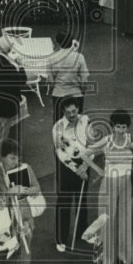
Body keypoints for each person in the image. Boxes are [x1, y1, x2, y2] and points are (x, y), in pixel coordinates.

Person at [85, 110, 133, 264]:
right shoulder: (106, 141)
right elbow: (85, 154)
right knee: (107, 220)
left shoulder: (131, 138)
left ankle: (126, 257)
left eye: (124, 127)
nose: (121, 130)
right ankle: (106, 259)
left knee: (125, 219)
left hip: (126, 182)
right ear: (113, 126)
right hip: (109, 183)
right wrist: (99, 170)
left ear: (127, 127)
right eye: (118, 127)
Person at [52, 99, 91, 253]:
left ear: (78, 109)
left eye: (74, 111)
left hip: (85, 161)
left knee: (82, 200)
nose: (72, 115)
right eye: (68, 113)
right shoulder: (57, 128)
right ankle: (60, 238)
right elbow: (60, 152)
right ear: (63, 112)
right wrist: (77, 169)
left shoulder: (86, 121)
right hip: (67, 166)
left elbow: (92, 145)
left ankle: (83, 232)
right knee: (64, 202)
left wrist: (85, 165)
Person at [0, 36, 29, 166]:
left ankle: (0, 157)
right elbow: (22, 81)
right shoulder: (9, 67)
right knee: (1, 135)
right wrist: (20, 66)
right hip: (6, 105)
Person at [48, 30, 90, 118]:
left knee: (59, 124)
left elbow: (51, 82)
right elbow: (84, 79)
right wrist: (82, 91)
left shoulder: (51, 58)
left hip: (58, 95)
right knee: (77, 125)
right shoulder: (79, 57)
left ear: (58, 43)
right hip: (76, 94)